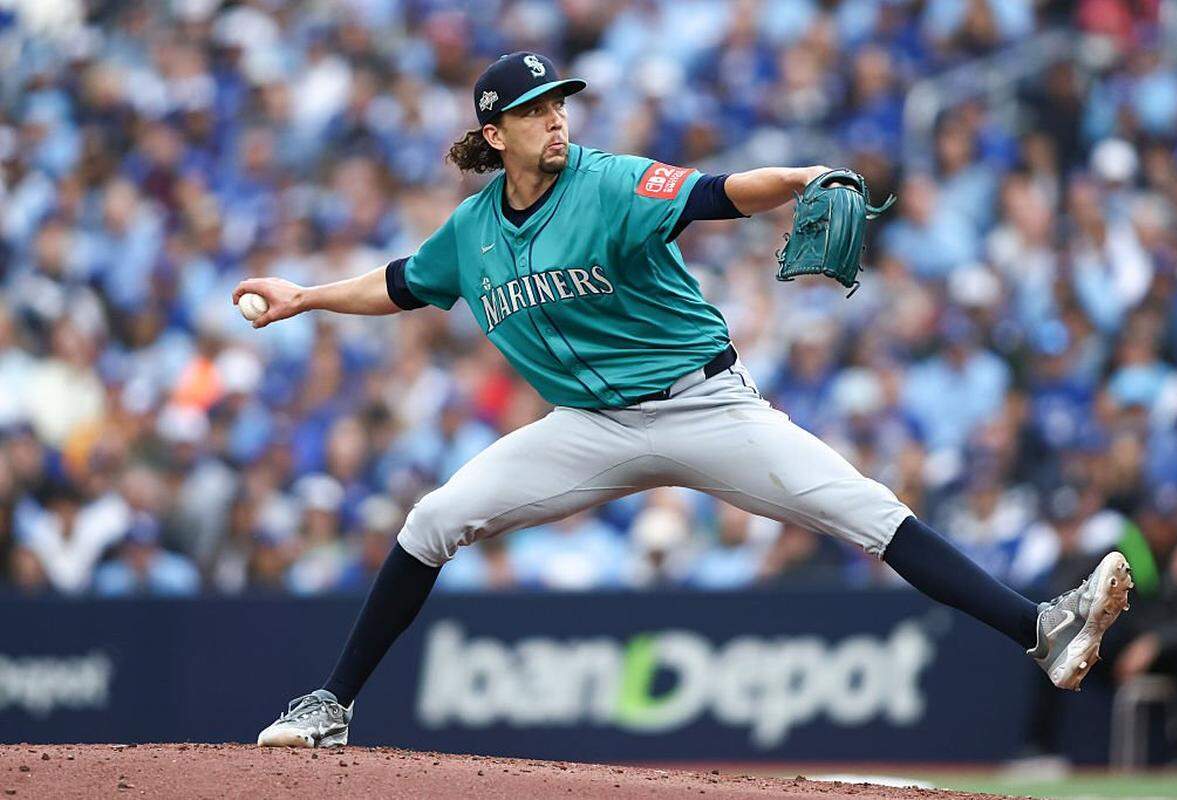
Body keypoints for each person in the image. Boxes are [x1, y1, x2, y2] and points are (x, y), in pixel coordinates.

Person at [243, 53, 1132, 748]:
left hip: (704, 407)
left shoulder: (607, 180)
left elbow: (714, 194)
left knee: (868, 511)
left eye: (559, 104)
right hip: (587, 428)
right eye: (535, 110)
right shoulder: (473, 230)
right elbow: (404, 282)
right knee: (434, 518)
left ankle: (1042, 628)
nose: (555, 119)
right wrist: (308, 296)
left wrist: (796, 179)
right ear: (495, 133)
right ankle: (334, 703)